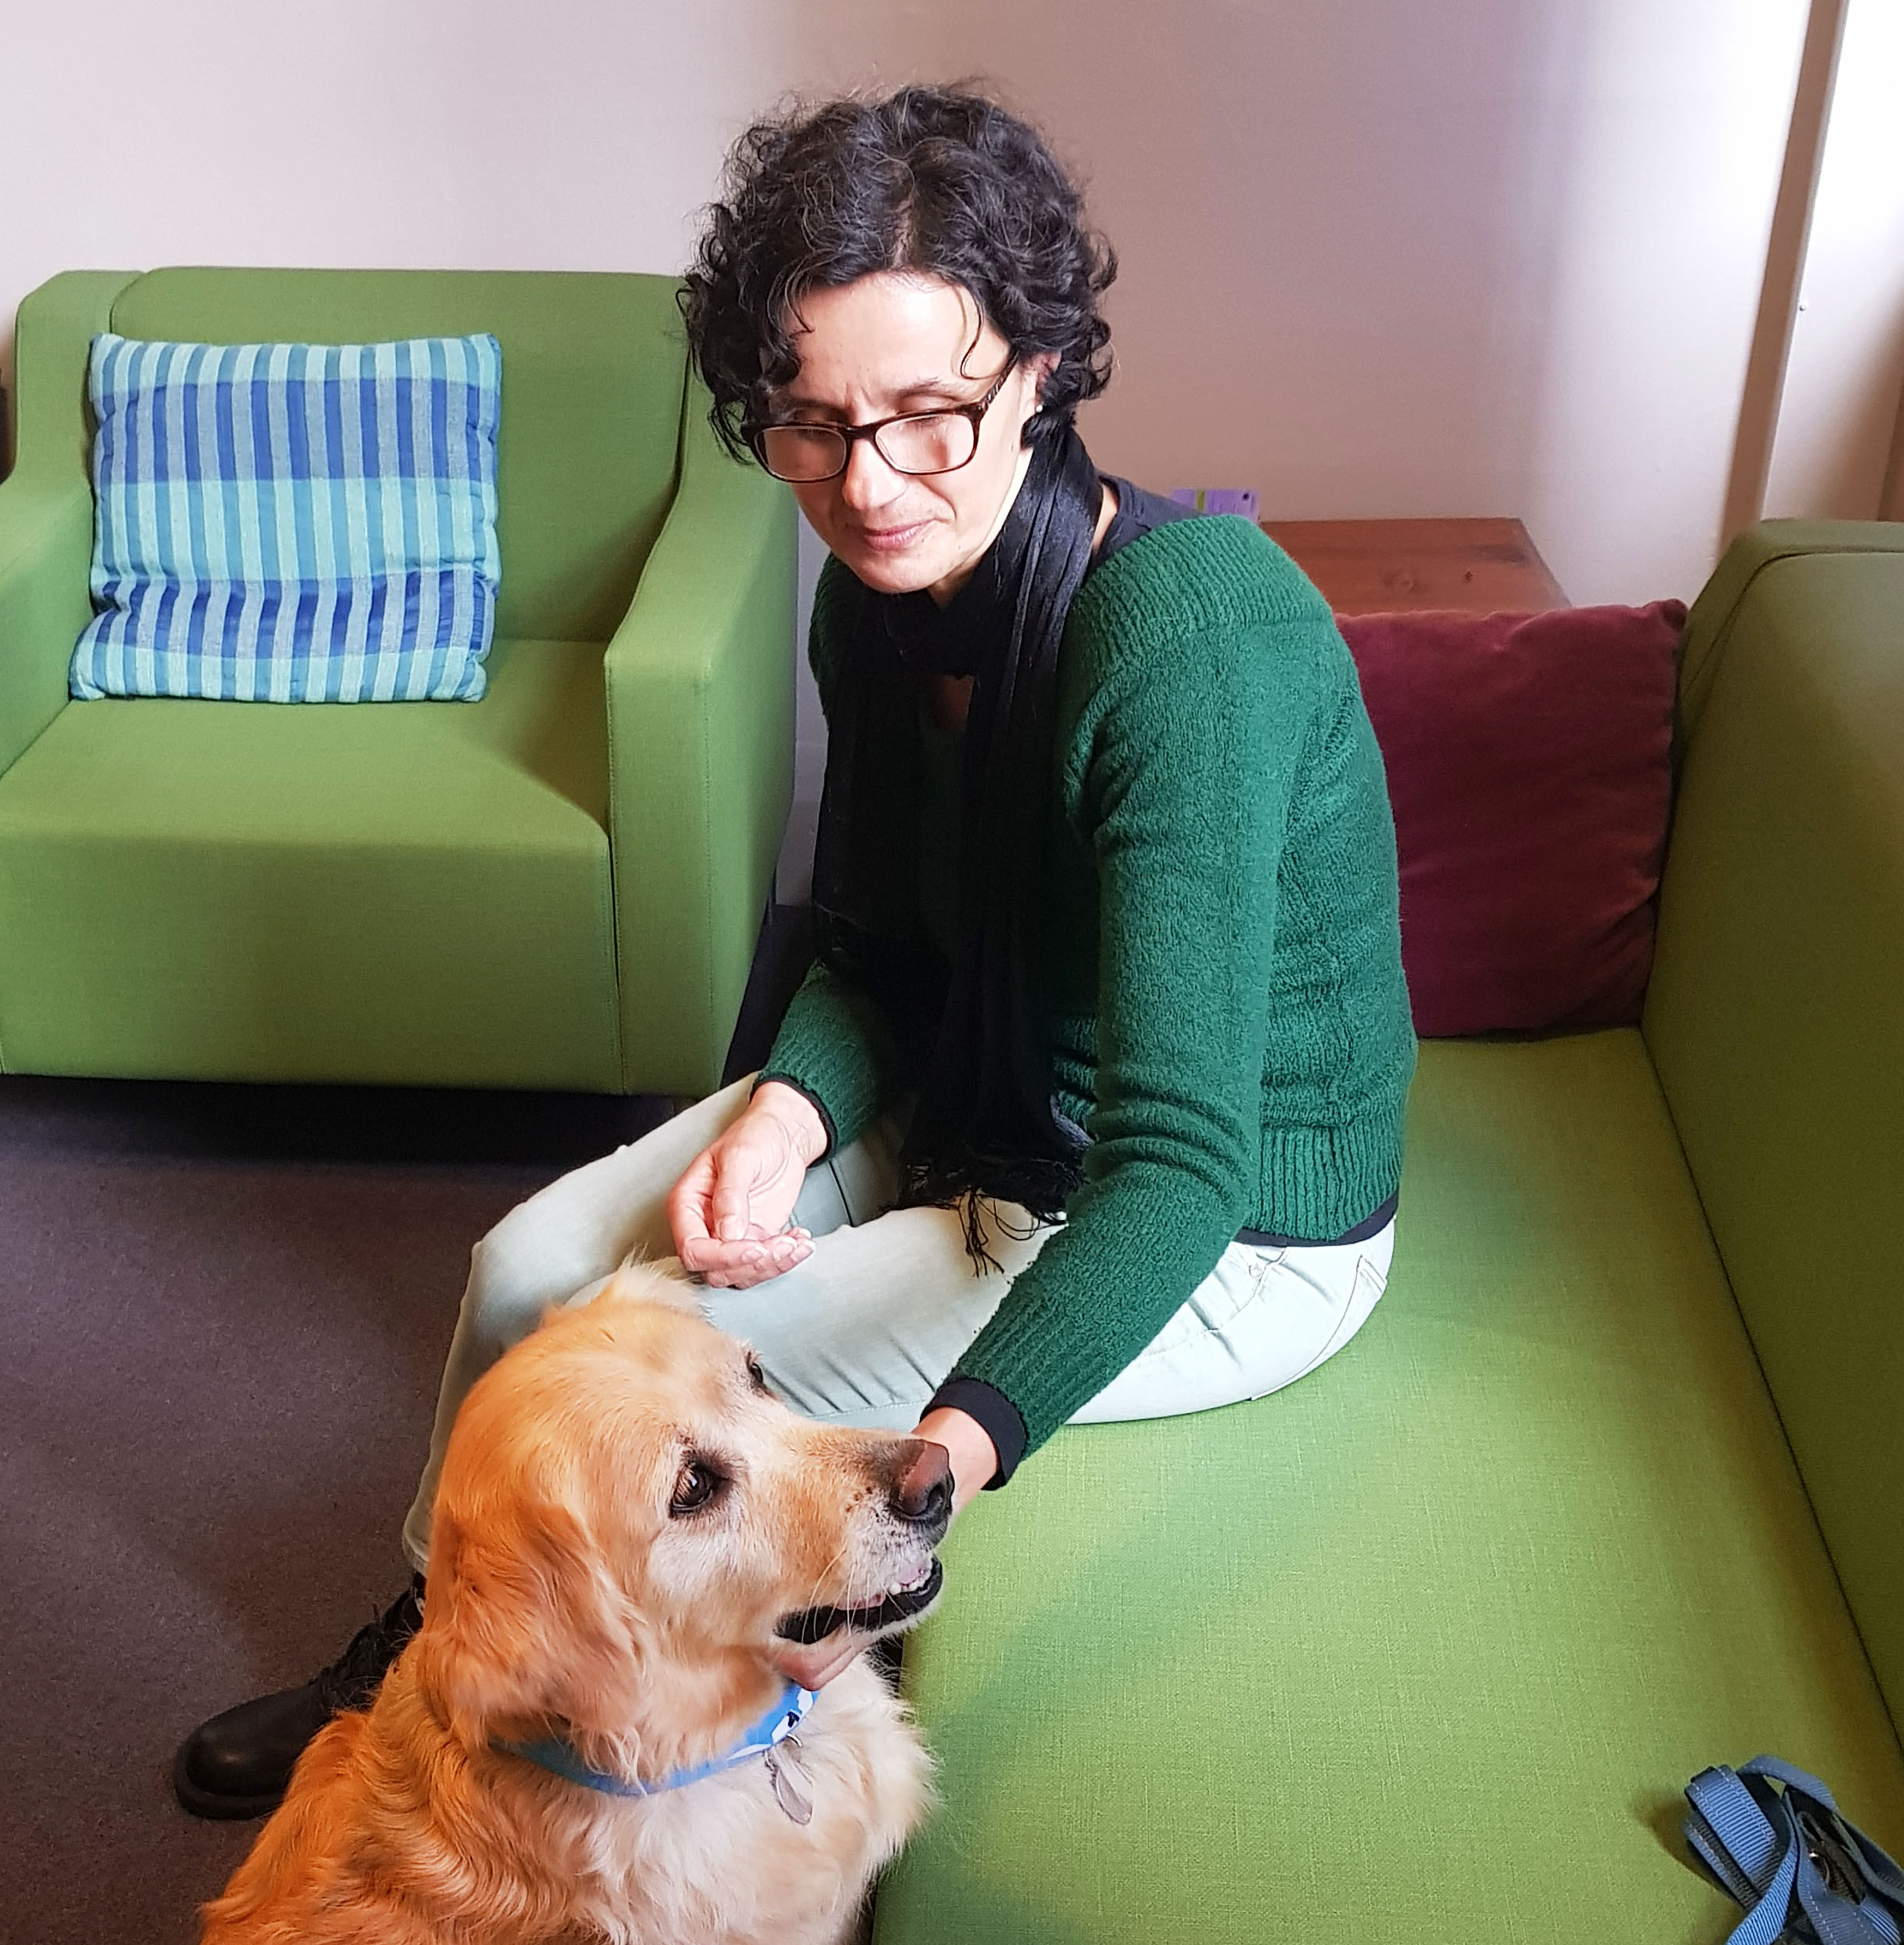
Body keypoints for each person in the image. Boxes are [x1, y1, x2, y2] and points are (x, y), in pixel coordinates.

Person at [174, 83, 1414, 1822]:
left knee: (631, 1361)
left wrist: (940, 1463)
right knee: (528, 1277)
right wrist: (788, 1117)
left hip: (1227, 1224)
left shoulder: (1187, 640)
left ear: (1042, 370)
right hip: (979, 1094)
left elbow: (1184, 1163)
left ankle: (529, 1747)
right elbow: (875, 951)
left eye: (929, 413)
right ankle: (437, 1637)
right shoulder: (878, 597)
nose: (870, 482)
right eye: (812, 424)